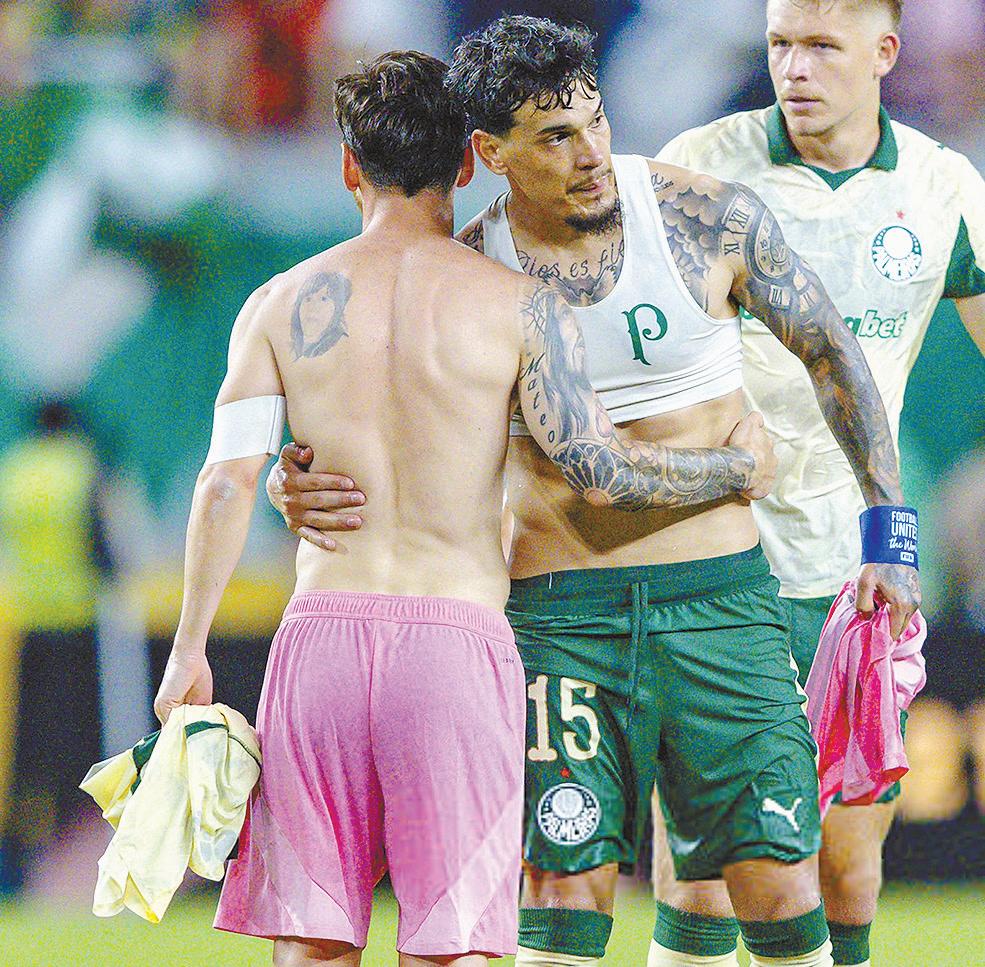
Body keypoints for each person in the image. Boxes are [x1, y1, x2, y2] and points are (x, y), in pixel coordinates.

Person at [266, 17, 921, 967]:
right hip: (560, 620)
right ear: (488, 153)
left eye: (595, 121)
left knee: (779, 882)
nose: (590, 155)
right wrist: (296, 478)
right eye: (554, 137)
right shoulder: (472, 274)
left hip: (721, 607)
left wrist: (889, 534)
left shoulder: (702, 219)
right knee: (561, 890)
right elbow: (389, 425)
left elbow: (831, 350)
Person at [151, 50, 779, 967]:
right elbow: (598, 468)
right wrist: (732, 467)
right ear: (462, 165)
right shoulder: (521, 307)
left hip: (320, 639)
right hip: (453, 644)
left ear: (348, 166)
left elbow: (224, 483)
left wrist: (189, 649)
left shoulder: (277, 303)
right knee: (451, 945)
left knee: (311, 939)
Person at [652, 1, 985, 964]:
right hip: (720, 564)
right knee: (705, 874)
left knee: (846, 871)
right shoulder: (700, 167)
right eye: (779, 44)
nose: (793, 68)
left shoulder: (941, 187)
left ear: (884, 53)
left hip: (858, 571)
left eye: (820, 47)